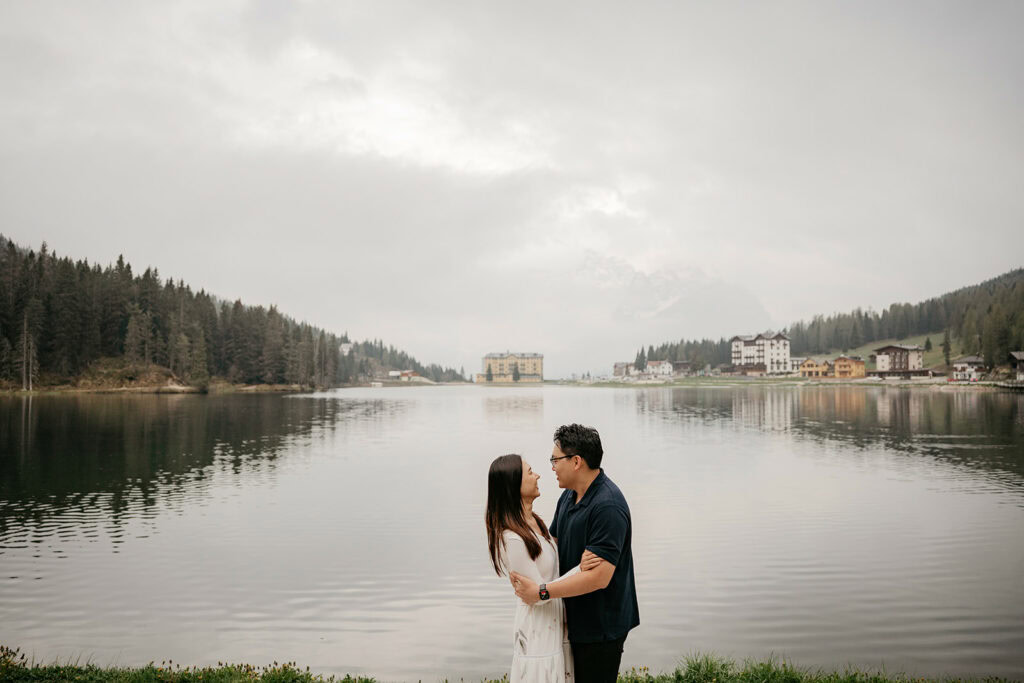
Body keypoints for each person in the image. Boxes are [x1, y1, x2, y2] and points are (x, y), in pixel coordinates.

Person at [511, 424, 639, 683]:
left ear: (577, 461)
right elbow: (554, 544)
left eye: (555, 460)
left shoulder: (608, 506)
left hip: (601, 626)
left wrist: (541, 592)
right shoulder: (569, 496)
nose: (552, 467)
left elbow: (599, 578)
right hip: (573, 620)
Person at [486, 453, 601, 682]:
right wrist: (581, 569)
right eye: (530, 472)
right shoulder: (512, 539)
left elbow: (549, 573)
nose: (538, 475)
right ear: (514, 485)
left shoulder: (534, 522)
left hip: (554, 625)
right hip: (537, 632)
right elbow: (536, 595)